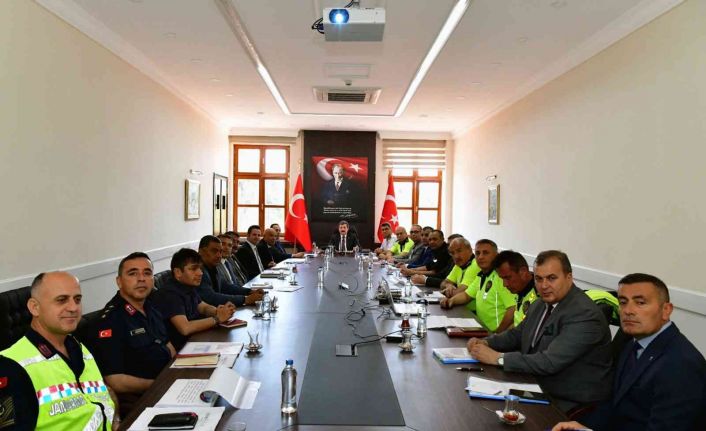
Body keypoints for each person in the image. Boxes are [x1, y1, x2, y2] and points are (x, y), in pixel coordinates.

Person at [552, 273, 706, 431]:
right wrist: (584, 427)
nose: (628, 311)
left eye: (640, 303)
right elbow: (615, 403)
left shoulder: (682, 364)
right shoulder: (631, 343)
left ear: (666, 310)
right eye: (623, 302)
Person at [467, 250, 612, 412]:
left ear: (569, 277)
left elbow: (549, 362)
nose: (544, 286)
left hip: (570, 401)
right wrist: (486, 342)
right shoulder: (540, 304)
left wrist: (498, 358)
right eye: (539, 279)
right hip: (535, 383)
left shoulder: (584, 314)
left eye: (551, 278)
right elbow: (517, 334)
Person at [0, 272, 116, 430]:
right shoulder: (11, 366)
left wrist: (116, 420)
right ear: (34, 307)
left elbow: (103, 393)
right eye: (61, 300)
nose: (73, 308)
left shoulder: (79, 347)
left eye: (77, 299)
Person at [88, 252, 174, 416]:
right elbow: (116, 381)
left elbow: (168, 345)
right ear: (119, 281)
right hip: (140, 400)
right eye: (133, 273)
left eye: (147, 273)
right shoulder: (110, 321)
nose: (141, 279)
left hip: (168, 385)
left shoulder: (152, 308)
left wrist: (178, 374)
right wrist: (160, 384)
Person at [152, 248, 235, 349]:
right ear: (178, 272)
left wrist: (219, 311)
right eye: (194, 269)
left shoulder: (187, 286)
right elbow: (185, 328)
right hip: (180, 350)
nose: (200, 273)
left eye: (200, 268)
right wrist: (217, 319)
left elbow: (203, 307)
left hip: (195, 341)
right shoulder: (169, 294)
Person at [440, 239, 515, 333]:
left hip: (495, 333)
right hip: (480, 329)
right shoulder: (481, 275)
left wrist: (497, 334)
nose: (480, 257)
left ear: (496, 255)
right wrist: (451, 301)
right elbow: (466, 295)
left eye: (485, 253)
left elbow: (512, 309)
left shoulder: (501, 277)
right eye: (477, 253)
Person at [198, 235, 263, 307]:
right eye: (214, 251)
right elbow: (211, 298)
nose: (219, 256)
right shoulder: (198, 270)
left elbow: (226, 287)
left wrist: (250, 291)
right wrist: (245, 299)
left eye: (220, 252)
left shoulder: (212, 267)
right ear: (201, 251)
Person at [493, 250, 537, 327]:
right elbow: (518, 324)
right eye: (502, 279)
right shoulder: (521, 290)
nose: (505, 284)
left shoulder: (539, 297)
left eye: (508, 277)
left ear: (523, 272)